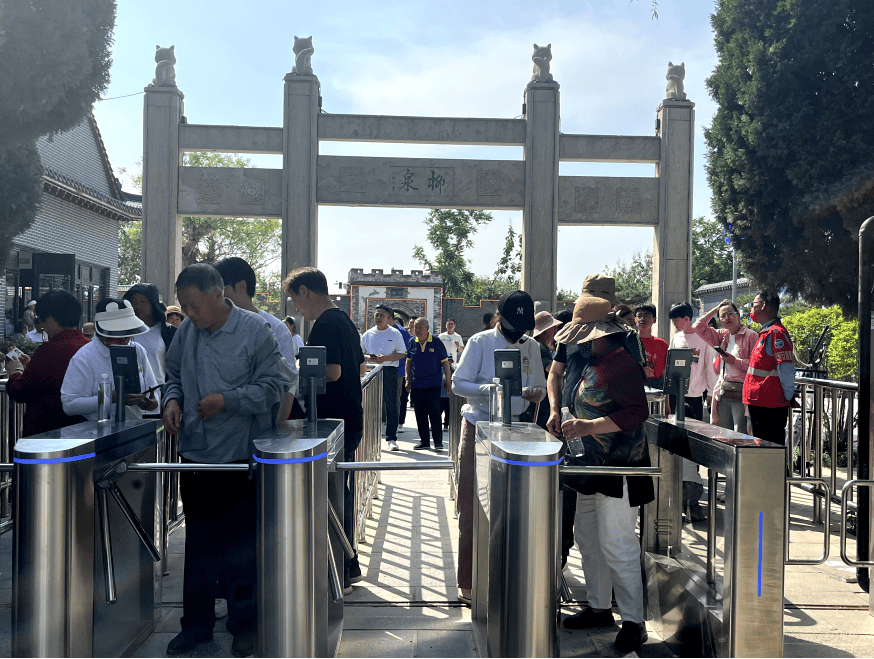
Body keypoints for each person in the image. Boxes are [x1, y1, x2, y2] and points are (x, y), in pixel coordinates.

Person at [162, 263, 291, 658]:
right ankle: (196, 626)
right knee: (197, 546)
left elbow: (275, 387)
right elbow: (173, 373)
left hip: (238, 457)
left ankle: (244, 626)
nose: (190, 314)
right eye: (184, 307)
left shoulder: (255, 331)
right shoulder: (187, 331)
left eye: (195, 306)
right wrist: (171, 400)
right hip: (196, 455)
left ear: (219, 295)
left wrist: (228, 401)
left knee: (239, 549)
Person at [553, 296, 653, 654]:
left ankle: (633, 621)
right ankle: (598, 606)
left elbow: (636, 411)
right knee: (588, 537)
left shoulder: (622, 364)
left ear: (598, 334)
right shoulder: (594, 360)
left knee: (618, 542)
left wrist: (588, 425)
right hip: (591, 466)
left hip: (620, 467)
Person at [452, 290, 545, 604]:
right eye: (512, 326)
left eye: (523, 329)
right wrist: (486, 389)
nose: (518, 334)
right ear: (499, 319)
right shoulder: (480, 343)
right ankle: (469, 579)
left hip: (515, 429)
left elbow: (541, 388)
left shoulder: (531, 346)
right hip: (478, 424)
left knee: (511, 509)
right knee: (472, 505)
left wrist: (535, 393)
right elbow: (457, 383)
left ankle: (508, 576)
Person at [284, 267, 365, 594]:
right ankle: (349, 565)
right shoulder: (344, 320)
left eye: (295, 300)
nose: (296, 308)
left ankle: (339, 570)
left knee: (331, 494)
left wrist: (301, 371)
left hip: (331, 421)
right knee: (339, 491)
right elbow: (359, 367)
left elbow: (331, 372)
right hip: (350, 416)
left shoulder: (325, 326)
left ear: (305, 292)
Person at [547, 275, 619, 570]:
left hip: (605, 436)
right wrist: (554, 409)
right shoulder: (569, 334)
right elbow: (555, 373)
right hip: (567, 426)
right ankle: (558, 562)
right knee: (566, 496)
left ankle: (608, 586)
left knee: (605, 514)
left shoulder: (622, 337)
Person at [214, 257, 299, 416]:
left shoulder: (275, 328)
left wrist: (278, 425)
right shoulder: (212, 327)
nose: (216, 296)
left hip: (263, 420)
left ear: (241, 286)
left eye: (221, 289)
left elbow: (288, 384)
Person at [5, 290, 90, 436]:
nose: (42, 325)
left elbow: (21, 391)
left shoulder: (50, 350)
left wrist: (15, 372)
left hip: (47, 435)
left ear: (52, 319)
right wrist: (30, 367)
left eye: (42, 319)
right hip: (82, 432)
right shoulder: (88, 346)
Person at [61, 299, 159, 421]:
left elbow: (153, 389)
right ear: (103, 333)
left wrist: (152, 403)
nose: (124, 341)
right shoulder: (84, 357)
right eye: (118, 336)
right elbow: (69, 405)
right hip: (98, 430)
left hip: (134, 426)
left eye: (127, 335)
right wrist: (112, 398)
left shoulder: (138, 350)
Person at [692, 299, 758, 433]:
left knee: (740, 435)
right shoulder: (722, 335)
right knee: (723, 435)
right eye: (722, 316)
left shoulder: (751, 336)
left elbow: (755, 365)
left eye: (730, 314)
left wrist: (734, 361)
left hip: (742, 394)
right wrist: (717, 307)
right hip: (723, 392)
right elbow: (698, 327)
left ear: (738, 315)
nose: (726, 318)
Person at [744, 291, 796, 444]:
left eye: (754, 305)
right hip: (759, 401)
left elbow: (785, 368)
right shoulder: (765, 333)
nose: (752, 310)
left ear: (763, 305)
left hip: (770, 404)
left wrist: (787, 396)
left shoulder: (776, 333)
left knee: (770, 451)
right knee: (762, 449)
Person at [361, 304, 406, 451]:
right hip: (371, 370)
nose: (378, 318)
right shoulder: (368, 334)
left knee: (391, 404)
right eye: (376, 315)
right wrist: (369, 357)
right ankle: (368, 436)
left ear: (388, 318)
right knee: (370, 405)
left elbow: (402, 353)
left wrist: (386, 358)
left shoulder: (395, 334)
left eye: (382, 315)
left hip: (389, 371)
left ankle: (391, 438)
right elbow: (360, 354)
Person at [405, 317, 452, 450]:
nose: (417, 329)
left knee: (435, 412)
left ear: (427, 329)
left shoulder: (436, 342)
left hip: (433, 384)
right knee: (420, 413)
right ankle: (424, 441)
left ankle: (438, 442)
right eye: (415, 326)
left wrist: (448, 381)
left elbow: (445, 363)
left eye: (420, 327)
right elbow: (408, 362)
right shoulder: (411, 342)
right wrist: (408, 379)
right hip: (417, 384)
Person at [667, 301, 717, 422]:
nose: (674, 324)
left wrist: (711, 392)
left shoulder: (703, 338)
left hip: (694, 395)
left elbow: (709, 366)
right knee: (675, 431)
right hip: (676, 393)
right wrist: (667, 396)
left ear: (686, 319)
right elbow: (670, 367)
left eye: (676, 321)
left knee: (693, 432)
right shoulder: (676, 338)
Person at [124, 283, 177, 384]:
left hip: (160, 391)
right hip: (131, 393)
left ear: (153, 303)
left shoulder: (168, 332)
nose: (138, 306)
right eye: (134, 302)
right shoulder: (124, 331)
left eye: (143, 301)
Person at [437, 318, 464, 428]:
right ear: (446, 325)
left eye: (452, 324)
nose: (450, 326)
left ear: (455, 326)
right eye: (448, 324)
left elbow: (462, 350)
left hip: (452, 365)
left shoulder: (458, 337)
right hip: (440, 364)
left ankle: (447, 422)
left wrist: (458, 346)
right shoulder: (441, 336)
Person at [634, 303, 667, 389]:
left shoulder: (662, 344)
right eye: (639, 315)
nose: (642, 319)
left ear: (654, 320)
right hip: (633, 384)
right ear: (635, 319)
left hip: (655, 386)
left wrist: (667, 399)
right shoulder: (629, 341)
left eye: (646, 315)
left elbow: (664, 373)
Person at [393, 314, 412, 430]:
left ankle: (400, 421)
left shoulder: (404, 334)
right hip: (392, 370)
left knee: (401, 398)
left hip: (402, 370)